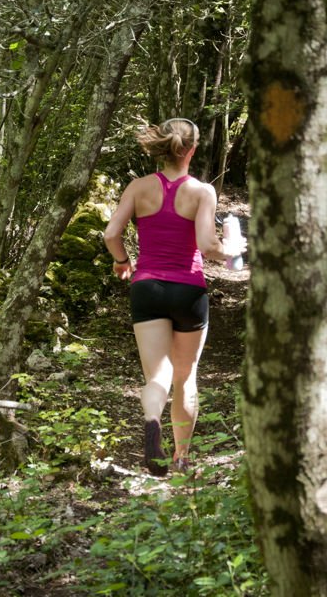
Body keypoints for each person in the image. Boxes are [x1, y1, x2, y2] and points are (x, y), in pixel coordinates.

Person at [103, 118, 245, 476]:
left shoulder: (138, 188)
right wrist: (230, 250)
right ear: (192, 150)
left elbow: (110, 233)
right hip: (189, 289)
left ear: (161, 148)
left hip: (147, 287)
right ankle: (181, 457)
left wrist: (123, 261)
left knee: (158, 377)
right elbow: (206, 246)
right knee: (186, 375)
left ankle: (152, 420)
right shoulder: (201, 192)